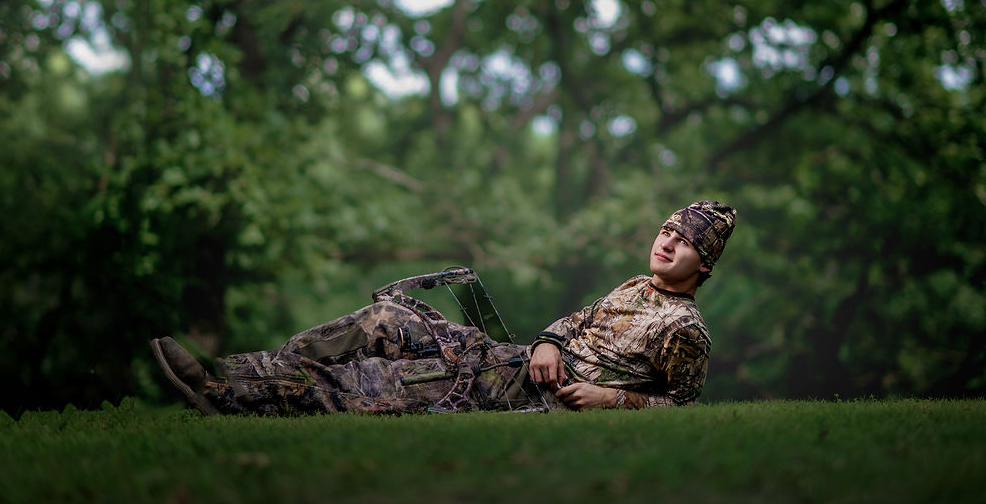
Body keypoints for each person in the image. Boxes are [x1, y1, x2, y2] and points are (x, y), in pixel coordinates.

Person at [151, 200, 736, 415]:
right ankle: (245, 372)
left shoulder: (684, 329)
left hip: (524, 393)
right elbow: (573, 322)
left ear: (703, 266)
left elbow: (682, 402)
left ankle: (221, 394)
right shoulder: (637, 286)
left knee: (379, 377)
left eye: (684, 242)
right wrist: (550, 342)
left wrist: (610, 397)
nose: (667, 242)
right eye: (666, 230)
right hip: (514, 359)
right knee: (388, 318)